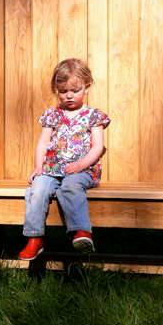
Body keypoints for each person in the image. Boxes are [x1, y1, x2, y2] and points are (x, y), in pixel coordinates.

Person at [18, 58, 110, 261]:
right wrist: (38, 167)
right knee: (38, 187)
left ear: (87, 86)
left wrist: (80, 165)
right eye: (62, 91)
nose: (68, 95)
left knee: (69, 186)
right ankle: (35, 238)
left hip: (83, 171)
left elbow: (98, 147)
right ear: (56, 90)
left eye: (74, 90)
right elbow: (43, 143)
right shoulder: (52, 115)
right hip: (52, 169)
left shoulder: (93, 116)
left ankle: (81, 232)